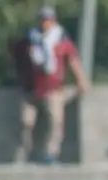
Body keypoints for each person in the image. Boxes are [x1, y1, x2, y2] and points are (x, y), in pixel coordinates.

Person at [11, 6, 88, 164]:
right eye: (43, 20)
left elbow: (72, 60)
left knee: (55, 121)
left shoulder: (61, 40)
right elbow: (16, 59)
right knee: (26, 122)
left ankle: (51, 153)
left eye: (48, 20)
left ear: (53, 21)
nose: (45, 23)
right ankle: (27, 152)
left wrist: (81, 79)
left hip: (53, 89)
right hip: (31, 89)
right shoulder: (29, 40)